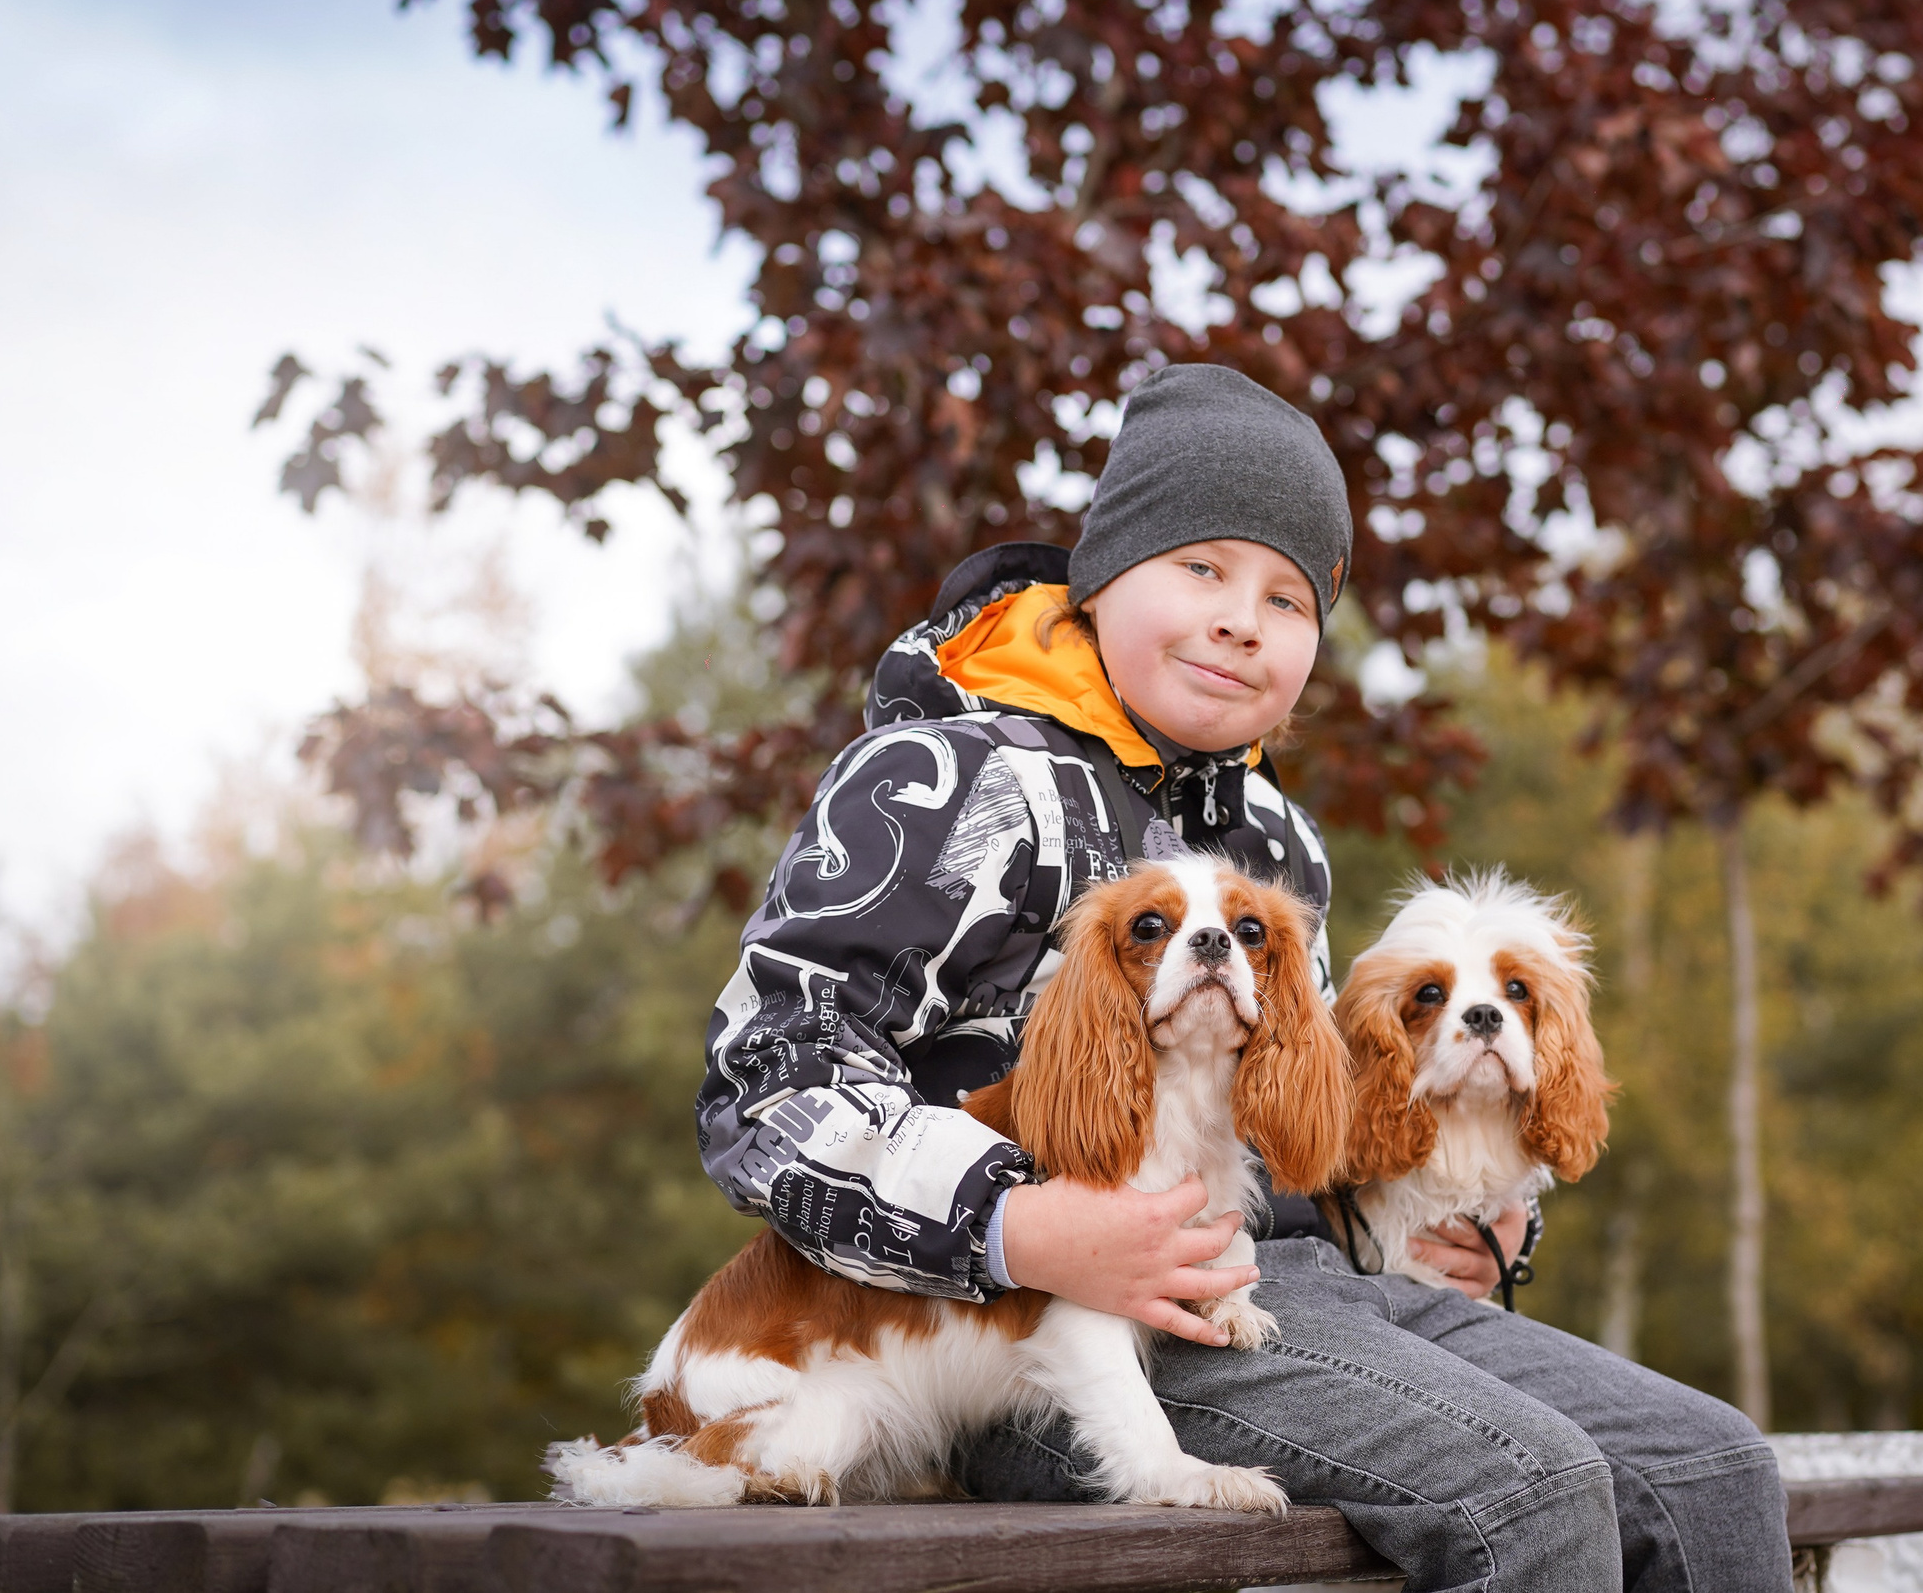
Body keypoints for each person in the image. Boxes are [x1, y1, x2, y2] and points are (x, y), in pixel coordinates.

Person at [694, 363, 1794, 1591]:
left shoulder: (1279, 841)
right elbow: (765, 1082)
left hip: (1288, 1289)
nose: (1241, 620)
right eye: (1200, 568)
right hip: (1042, 1338)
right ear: (1102, 574)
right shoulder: (947, 779)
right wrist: (1019, 1221)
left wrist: (1439, 1219)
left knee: (1715, 1471)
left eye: (1289, 598)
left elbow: (1279, 1131)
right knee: (1529, 1491)